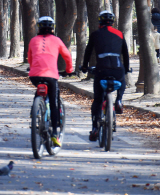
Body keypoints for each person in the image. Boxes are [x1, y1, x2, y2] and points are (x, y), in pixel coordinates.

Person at [82, 10, 131, 142]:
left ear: (100, 22)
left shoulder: (95, 34)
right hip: (117, 68)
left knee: (98, 100)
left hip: (101, 69)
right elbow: (125, 54)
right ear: (113, 22)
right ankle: (119, 100)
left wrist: (85, 66)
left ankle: (95, 128)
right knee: (122, 79)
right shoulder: (119, 34)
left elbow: (88, 52)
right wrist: (126, 68)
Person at [27, 16, 73, 147]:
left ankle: (35, 111)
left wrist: (33, 67)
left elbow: (30, 58)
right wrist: (69, 70)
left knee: (39, 91)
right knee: (54, 102)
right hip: (51, 76)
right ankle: (54, 134)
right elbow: (67, 56)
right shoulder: (57, 40)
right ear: (52, 28)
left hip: (35, 76)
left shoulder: (33, 40)